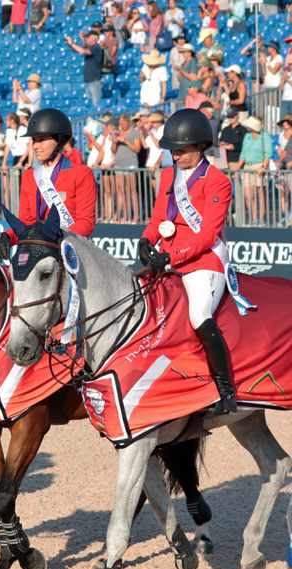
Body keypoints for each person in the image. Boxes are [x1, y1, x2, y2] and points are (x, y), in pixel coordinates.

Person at [137, 108, 237, 415]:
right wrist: (145, 239)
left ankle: (226, 392)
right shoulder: (168, 174)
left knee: (198, 315)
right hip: (168, 255)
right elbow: (158, 218)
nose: (175, 157)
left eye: (181, 151)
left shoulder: (218, 181)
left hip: (204, 260)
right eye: (172, 151)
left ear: (200, 146)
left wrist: (173, 256)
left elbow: (208, 234)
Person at [0, 108, 97, 259]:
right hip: (39, 250)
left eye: (41, 140)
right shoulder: (29, 176)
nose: (35, 146)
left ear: (60, 140)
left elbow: (85, 223)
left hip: (71, 251)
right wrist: (7, 236)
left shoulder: (81, 173)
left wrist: (55, 239)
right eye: (34, 140)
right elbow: (26, 223)